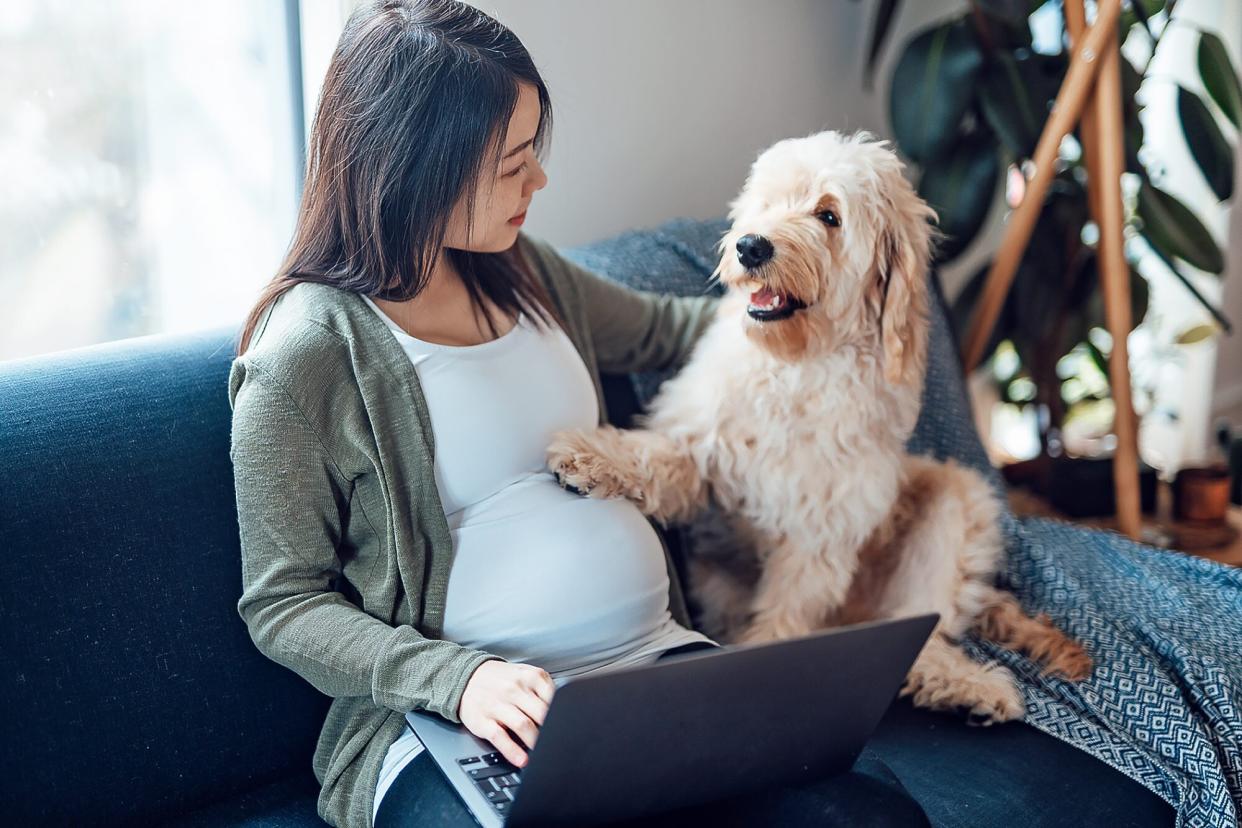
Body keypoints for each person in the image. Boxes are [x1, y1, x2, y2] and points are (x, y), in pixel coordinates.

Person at [228, 2, 929, 826]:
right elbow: (283, 606)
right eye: (513, 163)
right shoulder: (303, 357)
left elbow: (685, 328)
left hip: (658, 667)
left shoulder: (522, 271)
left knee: (873, 818)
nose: (540, 182)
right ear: (418, 168)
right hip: (458, 723)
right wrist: (461, 681)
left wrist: (848, 311)